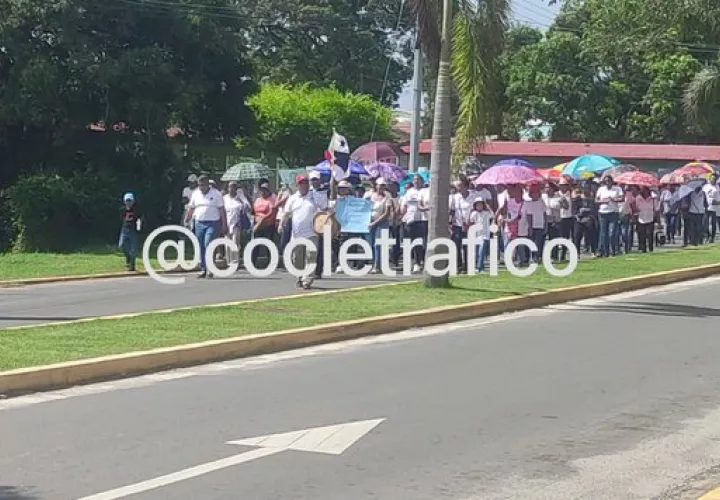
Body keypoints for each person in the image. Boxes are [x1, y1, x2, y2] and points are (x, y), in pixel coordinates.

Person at [185, 174, 227, 278]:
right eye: (199, 185)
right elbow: (191, 208)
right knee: (201, 246)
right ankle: (203, 268)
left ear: (208, 184)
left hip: (213, 223)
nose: (201, 187)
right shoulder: (196, 194)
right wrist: (187, 219)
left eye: (203, 185)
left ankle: (210, 268)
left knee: (208, 244)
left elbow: (222, 210)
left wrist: (224, 224)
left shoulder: (216, 194)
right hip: (199, 223)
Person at [282, 174, 320, 289]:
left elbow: (324, 209)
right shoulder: (292, 198)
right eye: (302, 183)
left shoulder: (314, 196)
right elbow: (286, 213)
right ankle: (300, 276)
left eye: (306, 183)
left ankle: (307, 280)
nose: (304, 185)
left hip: (312, 232)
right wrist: (281, 224)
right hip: (297, 233)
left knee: (311, 257)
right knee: (296, 259)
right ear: (298, 185)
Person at [400, 174, 429, 273]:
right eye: (415, 180)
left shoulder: (426, 191)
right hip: (411, 220)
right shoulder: (409, 192)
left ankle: (424, 261)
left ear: (422, 181)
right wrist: (401, 217)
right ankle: (416, 263)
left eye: (418, 180)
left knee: (424, 243)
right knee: (415, 243)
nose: (416, 181)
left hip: (424, 219)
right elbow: (404, 206)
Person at [449, 179, 477, 272]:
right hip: (457, 224)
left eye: (460, 186)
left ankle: (468, 266)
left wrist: (469, 222)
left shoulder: (473, 196)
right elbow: (452, 210)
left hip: (470, 225)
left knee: (468, 246)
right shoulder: (455, 197)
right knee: (456, 245)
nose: (458, 188)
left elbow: (475, 210)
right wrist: (450, 222)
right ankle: (458, 265)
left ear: (465, 186)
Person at [595, 175, 624, 257]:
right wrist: (603, 201)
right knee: (603, 233)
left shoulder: (617, 189)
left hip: (613, 213)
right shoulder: (601, 189)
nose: (607, 183)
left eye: (609, 181)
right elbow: (596, 200)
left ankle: (613, 250)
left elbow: (622, 198)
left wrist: (614, 200)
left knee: (612, 233)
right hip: (603, 213)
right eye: (606, 181)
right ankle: (604, 251)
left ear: (612, 181)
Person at [251, 180, 278, 269]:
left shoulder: (272, 199)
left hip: (268, 225)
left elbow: (271, 212)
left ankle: (271, 263)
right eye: (262, 190)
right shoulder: (258, 199)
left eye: (265, 189)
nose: (263, 191)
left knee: (269, 244)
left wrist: (261, 221)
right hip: (257, 225)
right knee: (256, 244)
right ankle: (253, 263)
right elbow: (254, 211)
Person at [369, 179, 392, 273]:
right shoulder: (370, 196)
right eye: (380, 185)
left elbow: (386, 213)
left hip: (382, 223)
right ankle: (374, 263)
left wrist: (375, 222)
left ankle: (377, 266)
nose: (381, 187)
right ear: (376, 186)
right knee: (371, 243)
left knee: (378, 244)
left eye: (383, 185)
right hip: (369, 222)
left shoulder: (387, 198)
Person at [223, 182, 247, 266]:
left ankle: (235, 262)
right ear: (228, 188)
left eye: (234, 187)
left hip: (236, 223)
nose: (232, 189)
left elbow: (248, 208)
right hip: (226, 223)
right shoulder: (224, 198)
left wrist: (242, 200)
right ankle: (228, 261)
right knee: (227, 243)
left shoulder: (241, 198)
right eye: (230, 187)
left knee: (235, 243)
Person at [119, 192, 142, 272]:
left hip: (133, 231)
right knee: (122, 245)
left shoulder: (137, 210)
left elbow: (141, 219)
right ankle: (128, 258)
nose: (128, 203)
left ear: (133, 201)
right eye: (127, 201)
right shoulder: (122, 210)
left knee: (133, 249)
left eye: (130, 201)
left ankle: (132, 265)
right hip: (124, 230)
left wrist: (140, 225)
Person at [469, 199, 493, 272]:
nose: (479, 206)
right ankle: (480, 267)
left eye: (481, 204)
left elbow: (493, 215)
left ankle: (479, 267)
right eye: (477, 205)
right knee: (477, 253)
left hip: (484, 235)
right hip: (476, 236)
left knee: (481, 252)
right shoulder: (474, 213)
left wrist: (488, 207)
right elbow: (470, 221)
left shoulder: (486, 213)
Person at [634, 186, 658, 252]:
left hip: (650, 218)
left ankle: (650, 247)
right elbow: (635, 208)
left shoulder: (653, 198)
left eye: (645, 190)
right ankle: (643, 249)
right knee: (642, 235)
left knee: (649, 234)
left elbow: (656, 209)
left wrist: (658, 221)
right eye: (642, 190)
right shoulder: (638, 198)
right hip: (641, 218)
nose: (644, 192)